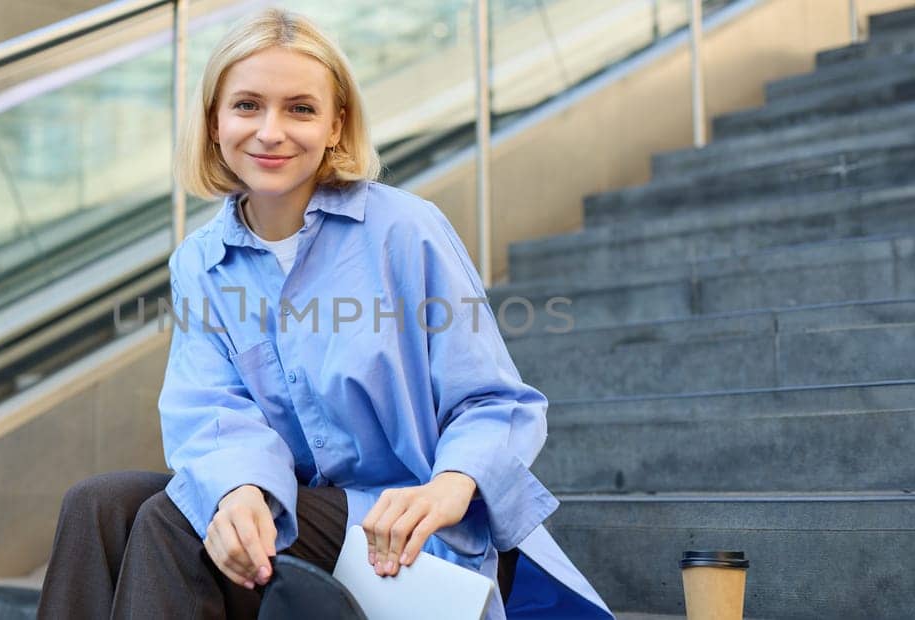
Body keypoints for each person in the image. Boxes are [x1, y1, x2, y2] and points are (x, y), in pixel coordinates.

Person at [37, 8, 613, 619]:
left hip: (408, 533)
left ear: (337, 124)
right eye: (248, 106)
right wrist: (239, 488)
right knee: (95, 504)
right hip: (295, 512)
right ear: (213, 121)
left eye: (301, 109)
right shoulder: (200, 263)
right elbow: (210, 408)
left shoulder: (404, 231)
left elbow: (496, 403)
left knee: (172, 520)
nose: (271, 131)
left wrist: (449, 486)